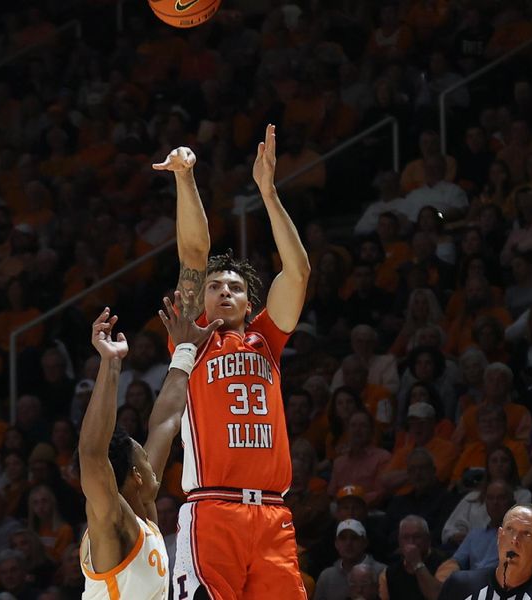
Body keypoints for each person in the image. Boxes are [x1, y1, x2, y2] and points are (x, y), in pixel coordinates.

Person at [154, 125, 310, 598]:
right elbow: (194, 251)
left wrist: (268, 191)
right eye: (215, 286)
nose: (224, 291)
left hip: (273, 515)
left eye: (236, 288)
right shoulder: (192, 336)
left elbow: (298, 271)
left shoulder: (267, 339)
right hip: (212, 509)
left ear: (249, 304)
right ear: (201, 298)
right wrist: (185, 177)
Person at [78, 297, 222, 599]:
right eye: (144, 456)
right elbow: (92, 454)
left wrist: (185, 350)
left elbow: (166, 423)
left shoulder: (144, 510)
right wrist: (110, 364)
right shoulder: (109, 520)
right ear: (136, 475)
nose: (150, 455)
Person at [437, 504, 532, 600]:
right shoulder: (459, 585)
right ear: (499, 536)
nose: (514, 540)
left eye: (527, 534)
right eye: (510, 529)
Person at [434, 480, 516, 583]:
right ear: (485, 503)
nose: (495, 502)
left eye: (501, 498)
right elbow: (456, 561)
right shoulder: (475, 534)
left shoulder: (519, 536)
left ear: (512, 503)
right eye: (490, 498)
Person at [314, 519, 386, 600]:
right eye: (343, 538)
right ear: (336, 544)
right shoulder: (326, 577)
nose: (348, 543)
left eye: (354, 538)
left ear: (365, 542)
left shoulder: (382, 573)